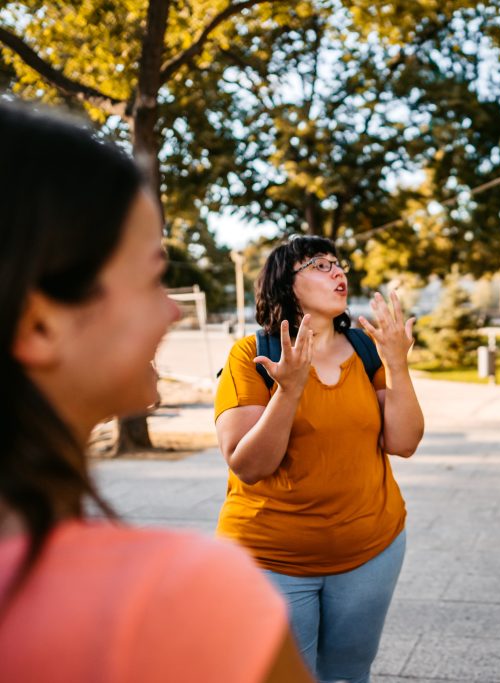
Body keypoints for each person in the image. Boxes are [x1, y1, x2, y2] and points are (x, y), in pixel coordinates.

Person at [0, 102, 311, 682]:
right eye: (150, 278)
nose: (172, 310)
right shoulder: (182, 600)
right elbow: (247, 462)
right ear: (38, 324)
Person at [214, 235, 424, 683]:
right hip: (271, 559)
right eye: (319, 264)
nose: (338, 272)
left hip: (371, 553)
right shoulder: (253, 356)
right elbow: (248, 464)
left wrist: (397, 364)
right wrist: (288, 389)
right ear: (285, 285)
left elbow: (404, 442)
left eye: (338, 263)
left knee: (349, 674)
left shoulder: (368, 352)